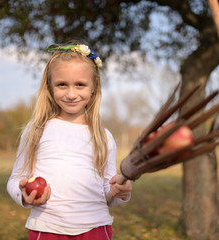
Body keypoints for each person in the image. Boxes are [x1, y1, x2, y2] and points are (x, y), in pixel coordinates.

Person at [7, 40, 132, 240]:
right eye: (62, 85)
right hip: (47, 228)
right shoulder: (36, 130)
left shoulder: (103, 137)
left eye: (80, 85)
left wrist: (119, 192)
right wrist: (24, 195)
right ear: (50, 87)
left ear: (93, 88)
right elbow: (15, 179)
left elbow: (107, 195)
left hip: (96, 229)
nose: (71, 94)